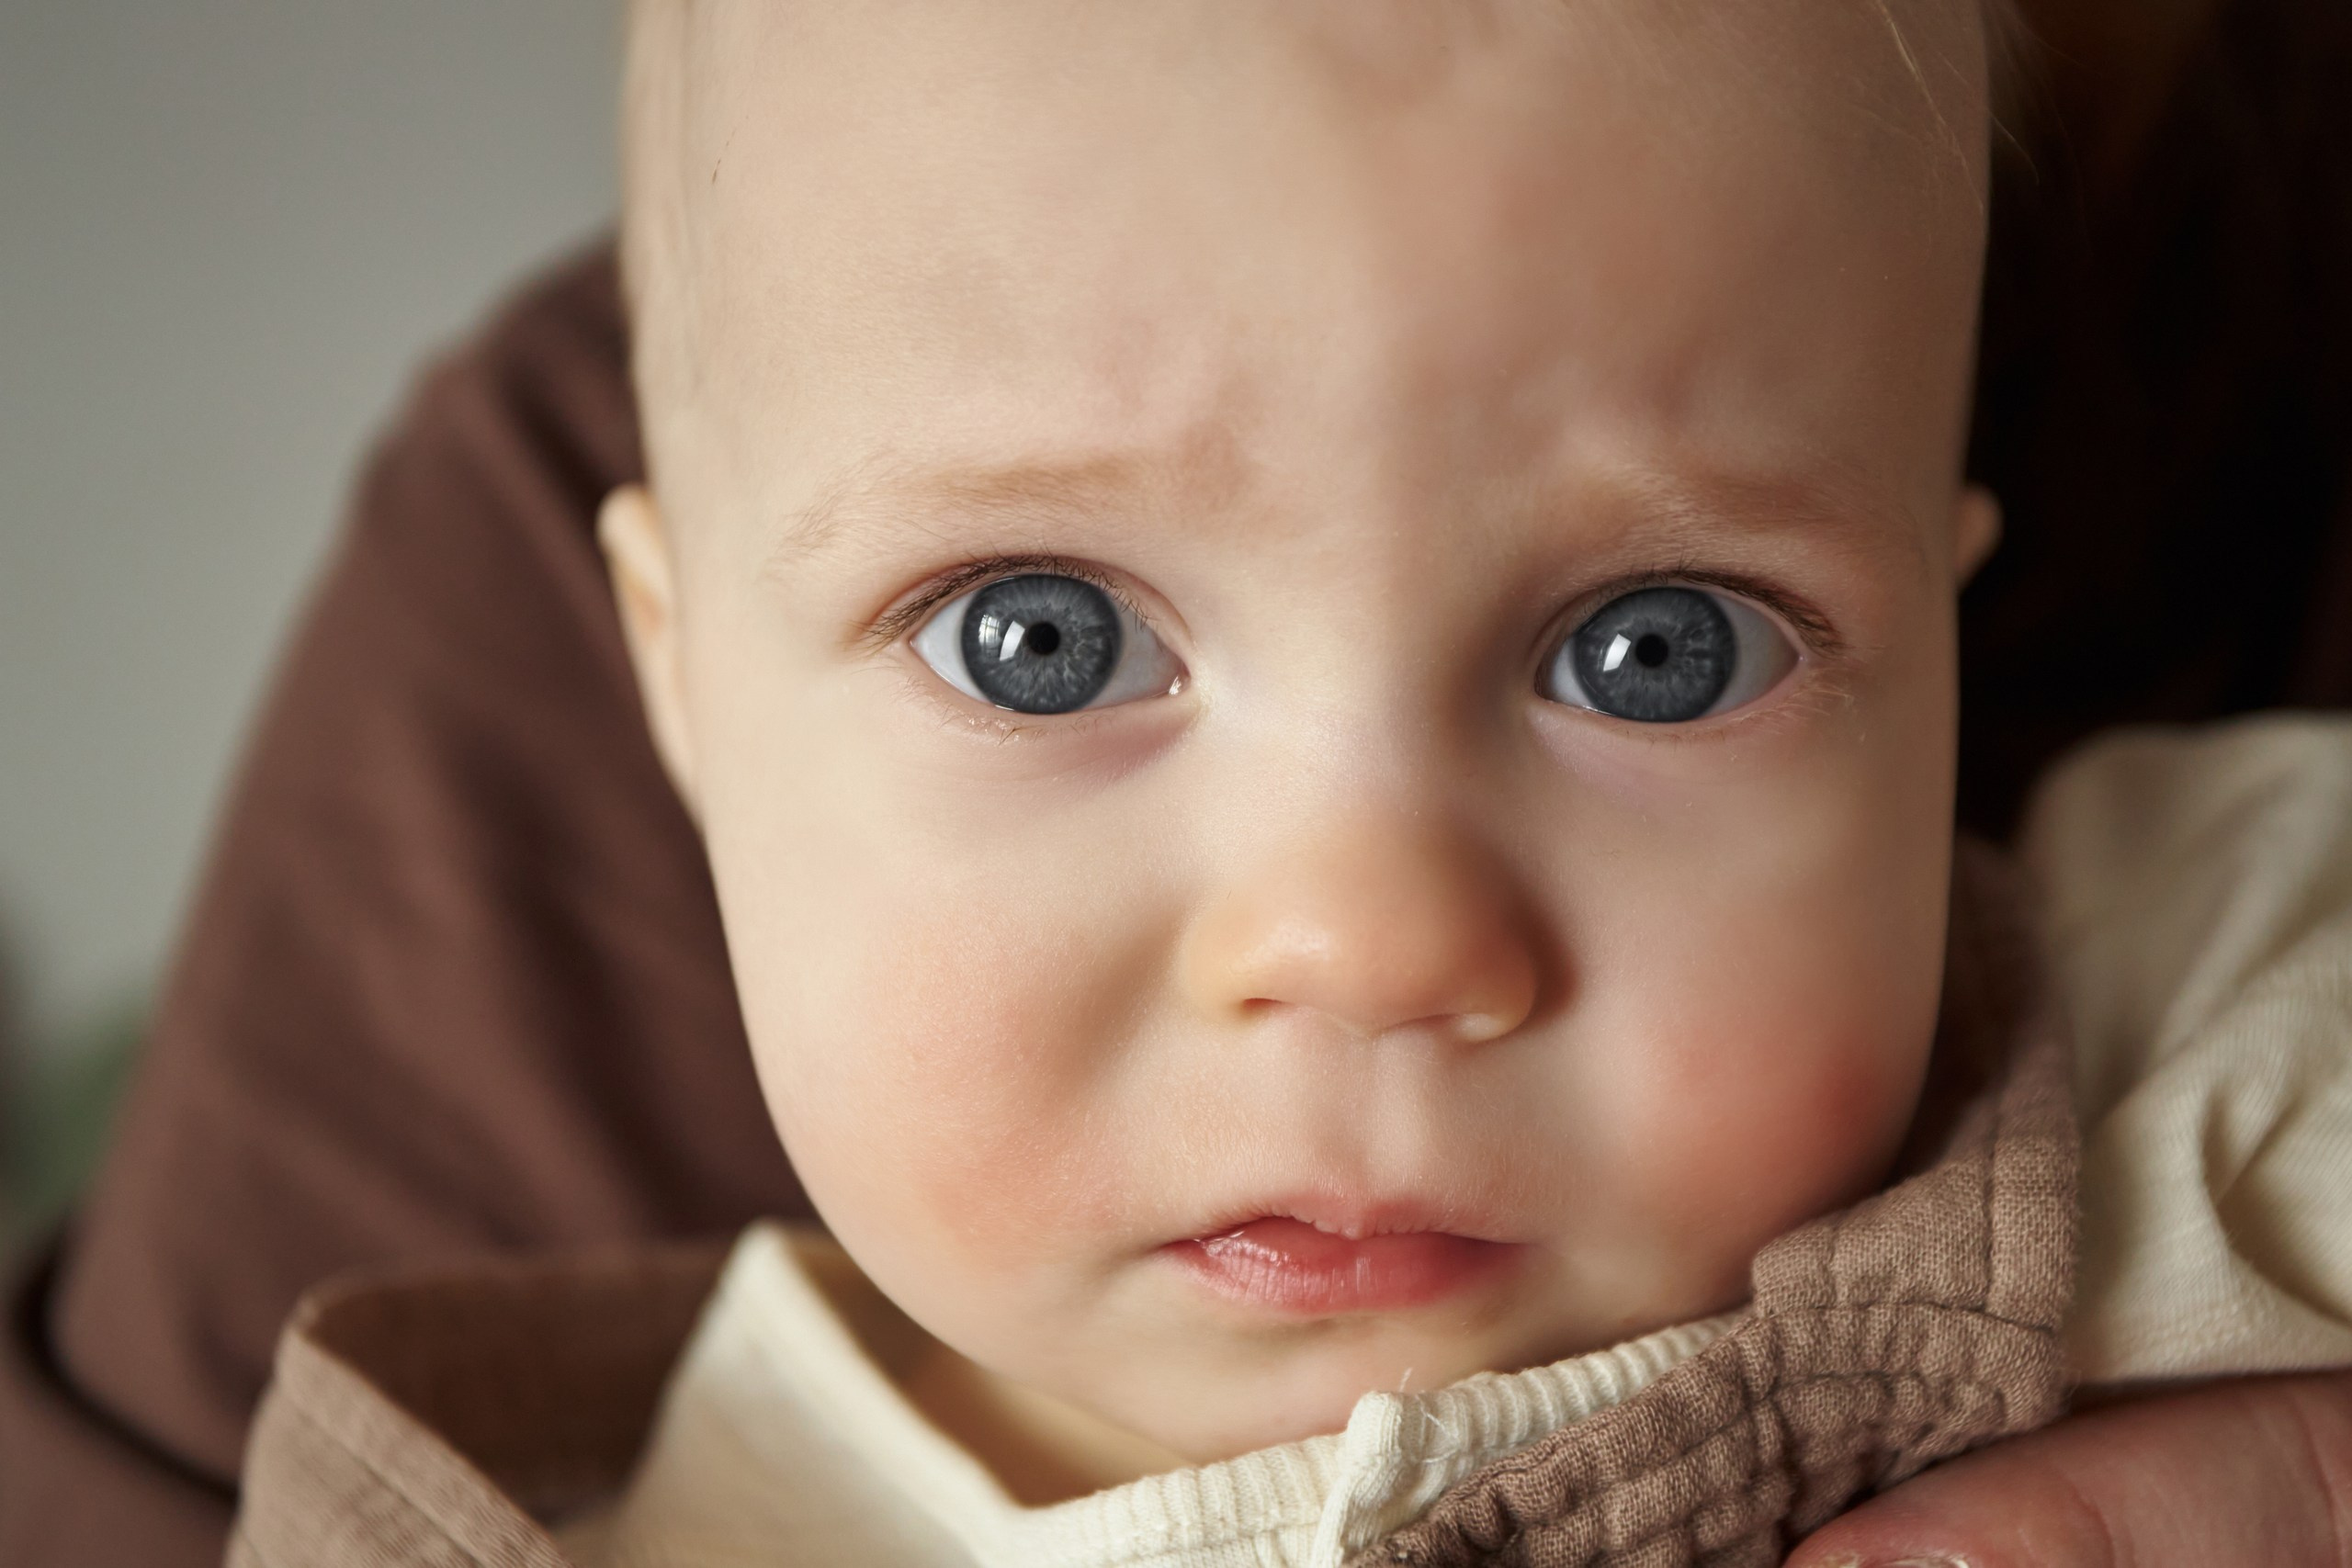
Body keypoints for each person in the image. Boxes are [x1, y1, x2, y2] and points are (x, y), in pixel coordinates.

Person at [6, 0, 2349, 1563]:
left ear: (1935, 652)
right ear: (678, 684)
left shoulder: (2216, 1085)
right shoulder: (461, 1500)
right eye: (1042, 638)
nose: (1365, 932)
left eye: (1657, 649)